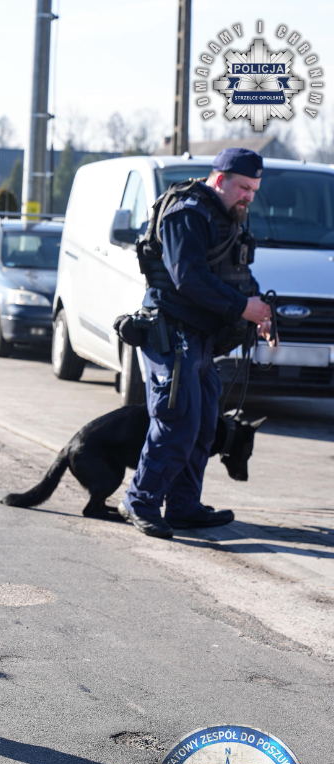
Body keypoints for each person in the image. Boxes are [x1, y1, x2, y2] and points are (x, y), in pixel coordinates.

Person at [118, 148, 275, 540]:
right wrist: (242, 307)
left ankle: (184, 506)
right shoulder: (187, 212)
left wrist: (261, 315)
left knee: (204, 424)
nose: (249, 197)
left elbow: (238, 272)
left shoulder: (229, 216)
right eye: (243, 188)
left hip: (203, 338)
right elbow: (187, 277)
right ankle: (139, 500)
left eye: (254, 190)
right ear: (220, 179)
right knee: (177, 421)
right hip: (171, 332)